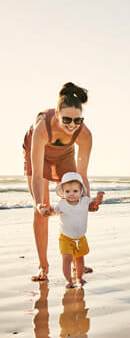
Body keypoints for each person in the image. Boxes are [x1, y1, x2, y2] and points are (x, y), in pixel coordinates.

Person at [23, 82, 94, 281]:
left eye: (78, 120)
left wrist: (88, 201)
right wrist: (39, 204)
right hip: (38, 155)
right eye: (67, 120)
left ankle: (76, 261)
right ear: (57, 114)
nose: (73, 125)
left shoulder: (84, 134)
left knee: (76, 201)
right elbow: (38, 175)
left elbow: (82, 176)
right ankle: (43, 266)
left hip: (64, 154)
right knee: (42, 209)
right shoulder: (43, 126)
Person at [40, 172, 104, 288]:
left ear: (80, 191)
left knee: (80, 260)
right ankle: (68, 280)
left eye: (75, 191)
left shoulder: (85, 201)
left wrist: (99, 197)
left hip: (80, 238)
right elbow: (51, 211)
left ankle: (79, 277)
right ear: (63, 192)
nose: (71, 194)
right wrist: (45, 211)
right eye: (67, 191)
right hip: (66, 237)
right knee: (67, 259)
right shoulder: (61, 204)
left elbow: (95, 201)